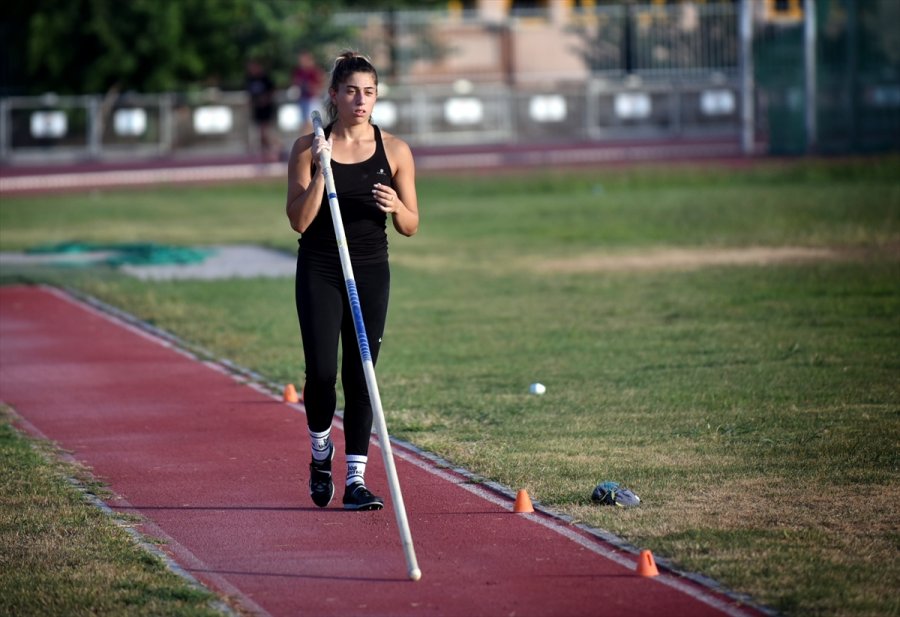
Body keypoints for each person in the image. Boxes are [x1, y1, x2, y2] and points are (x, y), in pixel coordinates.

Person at [285, 51, 419, 511]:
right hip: (320, 268)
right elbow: (298, 221)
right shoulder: (307, 148)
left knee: (362, 374)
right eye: (351, 92)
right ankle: (321, 454)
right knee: (322, 373)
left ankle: (356, 480)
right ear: (334, 95)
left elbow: (411, 224)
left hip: (370, 269)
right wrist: (322, 174)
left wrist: (396, 206)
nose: (361, 100)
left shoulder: (395, 150)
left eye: (369, 92)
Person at [245, 59, 280, 161]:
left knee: (266, 131)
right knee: (261, 133)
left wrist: (265, 99)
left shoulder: (265, 78)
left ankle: (275, 150)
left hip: (267, 109)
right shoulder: (250, 79)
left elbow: (273, 90)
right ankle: (266, 153)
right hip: (257, 109)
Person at [292, 51, 324, 132]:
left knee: (311, 122)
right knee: (304, 122)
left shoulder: (314, 71)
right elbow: (295, 82)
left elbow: (319, 85)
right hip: (303, 99)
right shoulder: (299, 71)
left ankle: (309, 137)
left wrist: (309, 87)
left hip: (312, 99)